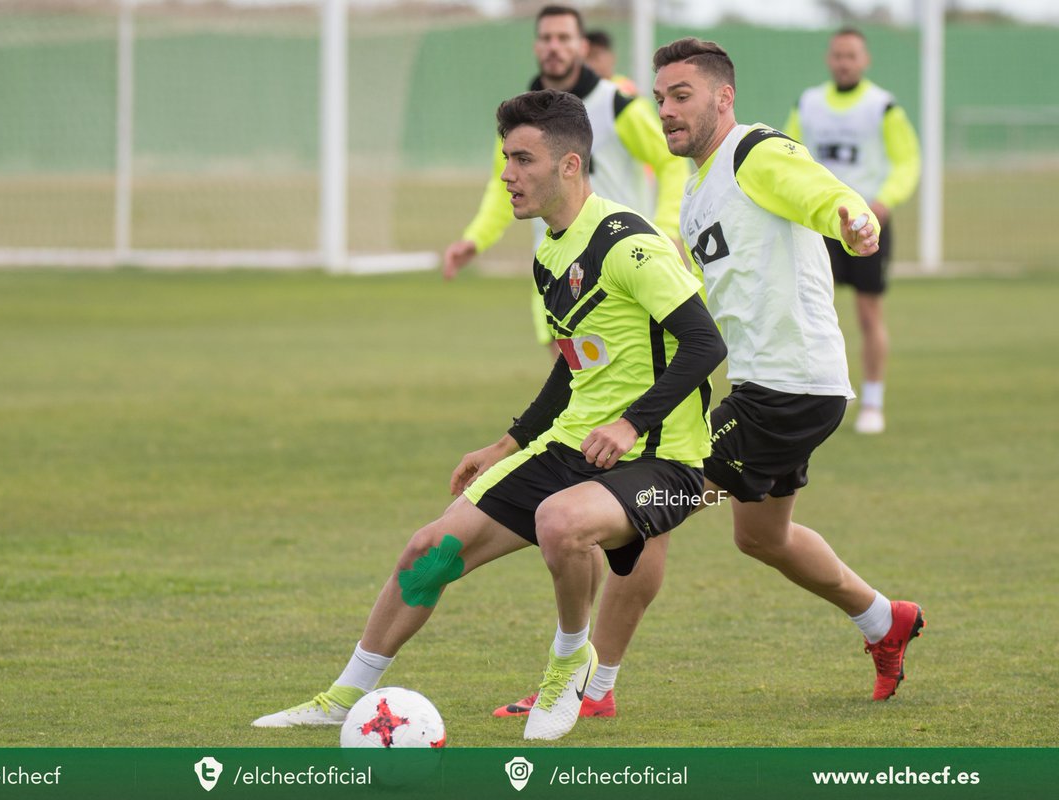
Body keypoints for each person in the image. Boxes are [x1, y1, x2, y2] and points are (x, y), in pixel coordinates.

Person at [253, 89, 726, 742]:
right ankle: (343, 696)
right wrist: (506, 444)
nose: (506, 174)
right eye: (505, 157)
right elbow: (572, 365)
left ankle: (569, 663)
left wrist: (630, 424)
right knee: (430, 549)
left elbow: (705, 343)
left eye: (522, 159)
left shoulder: (629, 242)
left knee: (560, 523)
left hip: (661, 459)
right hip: (572, 446)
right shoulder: (550, 254)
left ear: (569, 166)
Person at [492, 37, 925, 719]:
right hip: (770, 390)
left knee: (649, 503)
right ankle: (884, 621)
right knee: (761, 536)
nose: (666, 109)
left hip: (788, 387)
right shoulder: (697, 190)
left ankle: (589, 689)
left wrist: (853, 216)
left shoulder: (756, 152)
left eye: (682, 95)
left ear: (723, 98)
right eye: (661, 97)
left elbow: (819, 191)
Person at [442, 5, 688, 357]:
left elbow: (670, 162)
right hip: (555, 270)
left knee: (629, 386)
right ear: (535, 47)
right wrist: (475, 240)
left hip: (621, 270)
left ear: (582, 47)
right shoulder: (518, 118)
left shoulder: (616, 105)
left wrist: (667, 230)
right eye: (546, 38)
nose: (554, 46)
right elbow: (502, 188)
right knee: (576, 388)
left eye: (563, 38)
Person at [784, 28, 921, 435]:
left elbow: (907, 160)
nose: (844, 62)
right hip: (817, 225)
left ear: (865, 60)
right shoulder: (807, 103)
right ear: (830, 59)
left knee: (867, 314)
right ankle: (801, 399)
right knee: (804, 312)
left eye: (852, 55)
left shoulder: (883, 107)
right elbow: (788, 155)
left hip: (865, 223)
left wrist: (885, 201)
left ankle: (873, 403)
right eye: (838, 55)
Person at [585, 29, 636, 94]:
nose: (590, 63)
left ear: (612, 57)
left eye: (595, 56)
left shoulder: (625, 90)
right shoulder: (579, 89)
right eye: (586, 57)